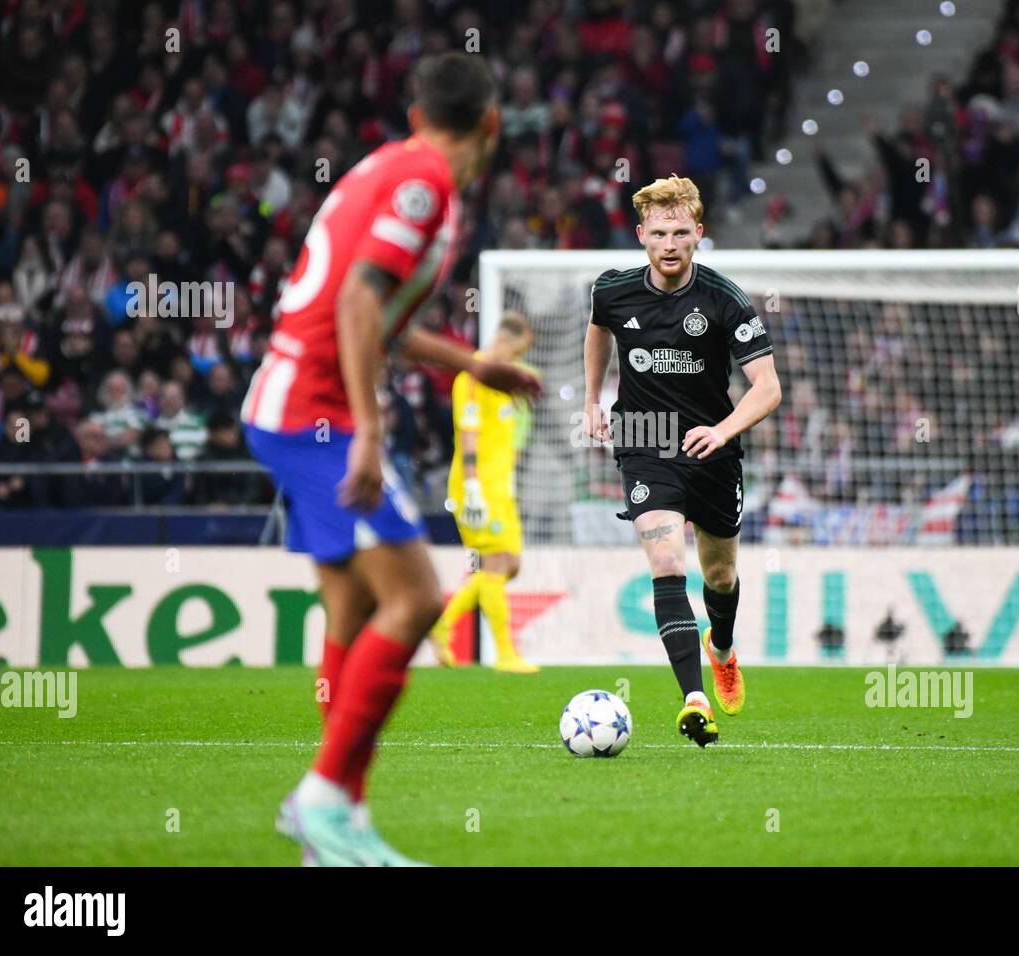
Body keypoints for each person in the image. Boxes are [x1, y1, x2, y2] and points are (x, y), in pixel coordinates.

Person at [241, 52, 540, 866]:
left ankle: (338, 827)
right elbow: (359, 301)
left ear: (416, 114)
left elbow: (375, 315)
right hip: (317, 414)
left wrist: (471, 363)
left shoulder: (396, 167)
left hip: (295, 404)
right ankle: (323, 799)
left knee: (352, 614)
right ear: (491, 123)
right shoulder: (426, 184)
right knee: (414, 601)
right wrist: (369, 431)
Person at [582, 174, 781, 747]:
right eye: (658, 233)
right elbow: (598, 332)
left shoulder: (725, 299)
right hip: (645, 442)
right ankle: (694, 700)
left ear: (699, 233)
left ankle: (721, 648)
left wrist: (721, 431)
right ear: (642, 235)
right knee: (666, 559)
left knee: (719, 573)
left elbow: (767, 388)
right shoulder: (613, 291)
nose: (669, 244)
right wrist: (593, 399)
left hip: (713, 448)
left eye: (680, 233)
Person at [428, 310, 539, 673]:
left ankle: (443, 622)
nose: (516, 360)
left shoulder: (501, 380)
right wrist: (473, 485)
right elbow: (470, 434)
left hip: (500, 486)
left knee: (511, 564)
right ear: (503, 342)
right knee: (494, 562)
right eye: (516, 352)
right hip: (477, 487)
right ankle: (505, 653)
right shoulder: (473, 376)